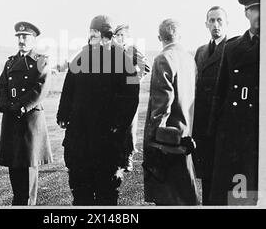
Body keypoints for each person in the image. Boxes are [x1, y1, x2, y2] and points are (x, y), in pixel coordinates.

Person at [57, 15, 139, 205]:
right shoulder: (81, 58)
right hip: (80, 139)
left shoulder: (123, 60)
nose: (91, 38)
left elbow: (131, 98)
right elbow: (68, 89)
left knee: (107, 193)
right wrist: (63, 114)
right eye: (90, 34)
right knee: (80, 192)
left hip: (107, 141)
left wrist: (118, 126)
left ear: (106, 37)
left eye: (95, 34)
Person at [209, 0, 260, 205]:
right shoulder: (232, 48)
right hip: (232, 133)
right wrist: (213, 132)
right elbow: (220, 95)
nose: (260, 15)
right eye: (255, 10)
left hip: (258, 133)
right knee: (232, 193)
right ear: (247, 13)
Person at [0, 21, 53, 206]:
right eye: (19, 37)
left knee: (28, 170)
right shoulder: (10, 62)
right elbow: (2, 86)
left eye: (25, 37)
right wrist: (5, 106)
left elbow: (40, 89)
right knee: (14, 168)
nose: (21, 40)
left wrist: (20, 106)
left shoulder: (40, 61)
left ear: (33, 39)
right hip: (11, 121)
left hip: (29, 123)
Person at [142, 18, 199, 205]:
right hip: (185, 134)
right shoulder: (189, 59)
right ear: (179, 36)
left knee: (167, 197)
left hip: (167, 141)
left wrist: (152, 140)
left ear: (159, 37)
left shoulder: (162, 59)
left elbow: (162, 104)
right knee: (185, 194)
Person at [192, 6, 228, 205]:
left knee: (224, 180)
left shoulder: (232, 48)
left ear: (227, 23)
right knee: (206, 178)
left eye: (220, 20)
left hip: (222, 124)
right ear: (206, 24)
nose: (216, 25)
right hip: (203, 125)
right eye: (212, 21)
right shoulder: (201, 51)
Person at [114, 24, 150, 172]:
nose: (121, 38)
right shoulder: (111, 51)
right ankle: (116, 157)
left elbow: (146, 67)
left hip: (129, 96)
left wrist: (132, 82)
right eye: (118, 35)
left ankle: (128, 157)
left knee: (129, 127)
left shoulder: (132, 50)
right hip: (114, 95)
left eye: (124, 35)